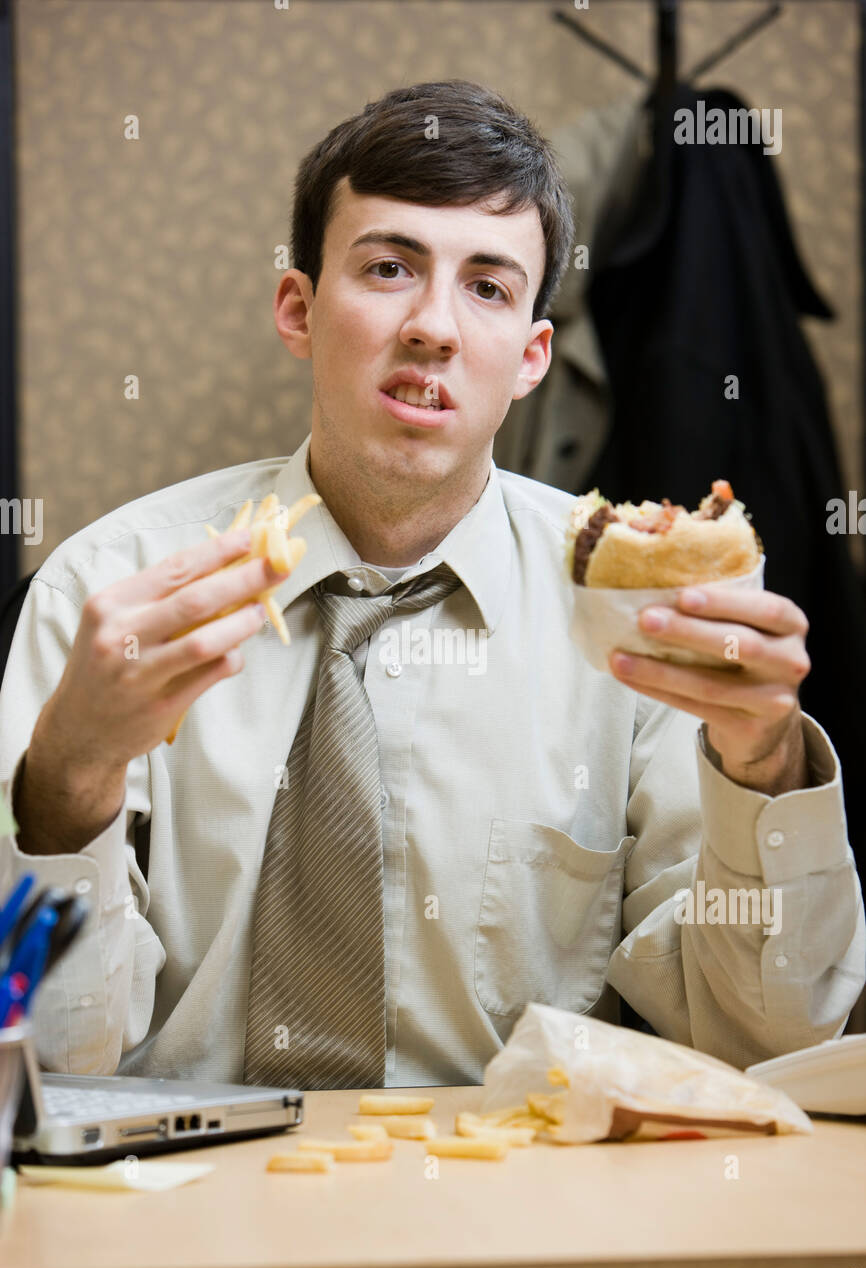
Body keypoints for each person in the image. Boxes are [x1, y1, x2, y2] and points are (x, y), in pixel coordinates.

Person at [0, 81, 862, 1087]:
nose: (432, 327)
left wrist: (760, 767)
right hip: (173, 1215)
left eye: (487, 287)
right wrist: (68, 785)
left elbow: (764, 1042)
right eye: (386, 267)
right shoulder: (105, 594)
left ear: (531, 357)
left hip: (513, 1212)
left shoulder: (638, 620)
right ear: (298, 309)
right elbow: (40, 1063)